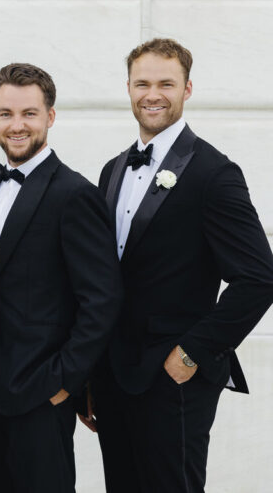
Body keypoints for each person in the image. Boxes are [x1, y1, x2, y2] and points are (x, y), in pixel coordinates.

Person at [87, 39, 273, 493]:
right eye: (143, 83)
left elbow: (259, 277)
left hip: (174, 378)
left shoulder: (214, 172)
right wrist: (90, 373)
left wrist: (190, 353)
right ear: (128, 88)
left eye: (166, 83)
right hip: (114, 375)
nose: (153, 94)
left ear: (187, 88)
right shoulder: (112, 170)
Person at [0, 63, 122, 493]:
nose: (17, 125)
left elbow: (102, 299)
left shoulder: (74, 194)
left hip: (40, 392)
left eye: (29, 113)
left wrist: (64, 382)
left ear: (50, 117)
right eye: (6, 114)